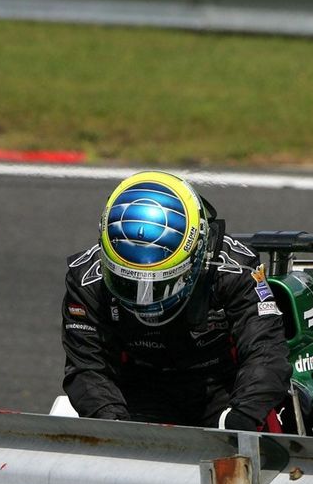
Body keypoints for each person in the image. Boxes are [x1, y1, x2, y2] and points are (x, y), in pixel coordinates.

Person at [61, 171, 292, 431]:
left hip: (222, 388)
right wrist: (114, 426)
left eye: (158, 283)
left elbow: (265, 352)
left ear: (197, 256)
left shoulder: (235, 270)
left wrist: (243, 416)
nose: (143, 297)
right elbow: (87, 367)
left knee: (271, 422)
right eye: (129, 282)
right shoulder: (86, 280)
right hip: (139, 391)